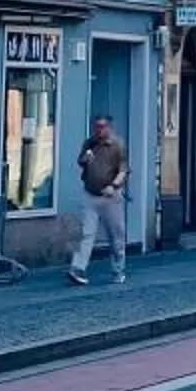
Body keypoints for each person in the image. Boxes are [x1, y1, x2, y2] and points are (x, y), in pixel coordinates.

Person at [68, 115, 129, 287]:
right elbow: (80, 161)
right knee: (86, 233)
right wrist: (84, 159)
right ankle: (78, 268)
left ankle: (118, 269)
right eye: (96, 127)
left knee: (116, 236)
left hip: (111, 197)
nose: (99, 130)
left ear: (109, 127)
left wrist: (114, 185)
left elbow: (123, 170)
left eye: (102, 127)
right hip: (90, 194)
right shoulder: (89, 143)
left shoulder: (117, 145)